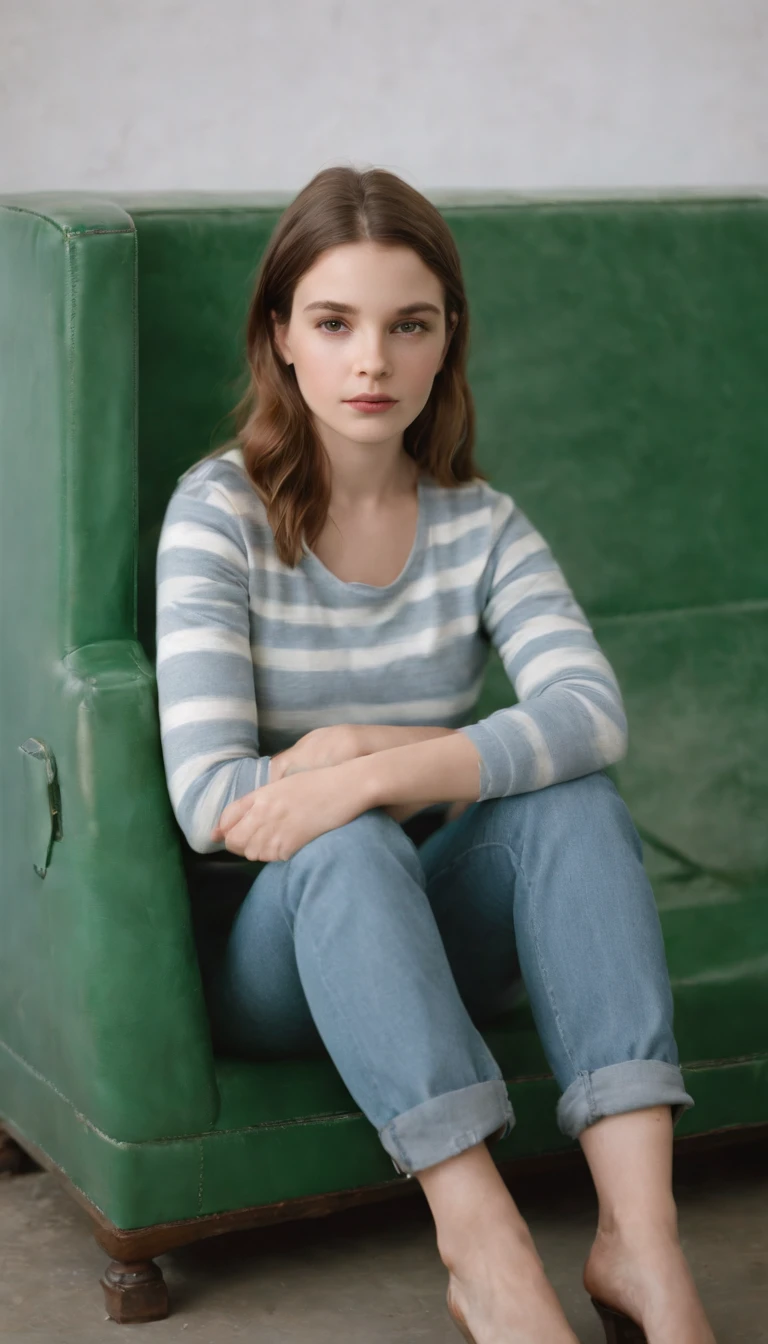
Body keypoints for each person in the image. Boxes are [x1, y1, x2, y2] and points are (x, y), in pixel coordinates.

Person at [155, 164, 716, 1344]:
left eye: (408, 325)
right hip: (283, 952)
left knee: (574, 802)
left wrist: (366, 756)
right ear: (281, 339)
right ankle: (486, 1248)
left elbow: (591, 713)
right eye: (335, 323)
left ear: (445, 338)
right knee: (349, 846)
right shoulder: (219, 515)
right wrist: (384, 789)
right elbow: (215, 802)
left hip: (444, 936)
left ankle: (642, 1249)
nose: (373, 363)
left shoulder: (482, 524)